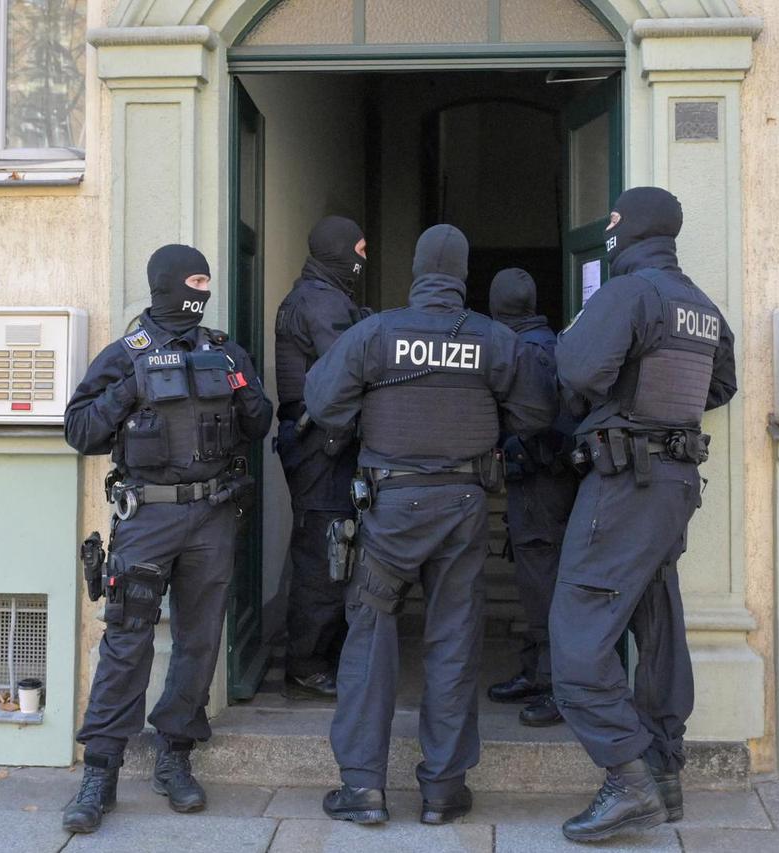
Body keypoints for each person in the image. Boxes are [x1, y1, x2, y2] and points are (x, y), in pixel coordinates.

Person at [304, 224, 556, 827]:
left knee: (370, 638)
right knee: (453, 640)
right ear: (463, 274)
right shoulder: (492, 339)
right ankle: (443, 790)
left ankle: (363, 789)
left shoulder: (376, 332)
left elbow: (322, 403)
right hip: (463, 507)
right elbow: (537, 411)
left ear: (417, 271)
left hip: (389, 507)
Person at [60, 244, 273, 834]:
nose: (203, 291)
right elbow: (79, 431)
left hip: (213, 515)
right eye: (195, 279)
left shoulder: (223, 349)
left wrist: (247, 390)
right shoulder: (126, 353)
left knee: (199, 640)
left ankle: (175, 755)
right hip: (147, 517)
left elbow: (258, 426)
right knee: (127, 640)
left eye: (207, 280)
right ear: (167, 284)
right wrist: (130, 388)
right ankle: (100, 771)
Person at [550, 187, 737, 843]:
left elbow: (575, 370)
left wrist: (622, 405)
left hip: (626, 483)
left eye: (615, 218)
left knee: (576, 632)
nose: (608, 226)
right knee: (656, 625)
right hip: (675, 484)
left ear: (632, 228)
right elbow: (720, 386)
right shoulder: (702, 307)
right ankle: (663, 772)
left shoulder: (629, 294)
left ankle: (626, 779)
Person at [273, 216, 369, 699]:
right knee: (324, 554)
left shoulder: (321, 296)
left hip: (317, 443)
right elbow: (349, 367)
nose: (363, 258)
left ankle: (317, 655)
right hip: (320, 447)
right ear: (338, 252)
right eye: (358, 248)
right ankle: (307, 662)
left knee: (330, 548)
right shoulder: (320, 301)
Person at [485, 268, 579, 727]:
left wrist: (516, 449)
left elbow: (543, 422)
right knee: (533, 579)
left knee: (543, 582)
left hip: (542, 481)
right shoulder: (548, 341)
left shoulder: (524, 350)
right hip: (543, 480)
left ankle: (556, 685)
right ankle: (535, 671)